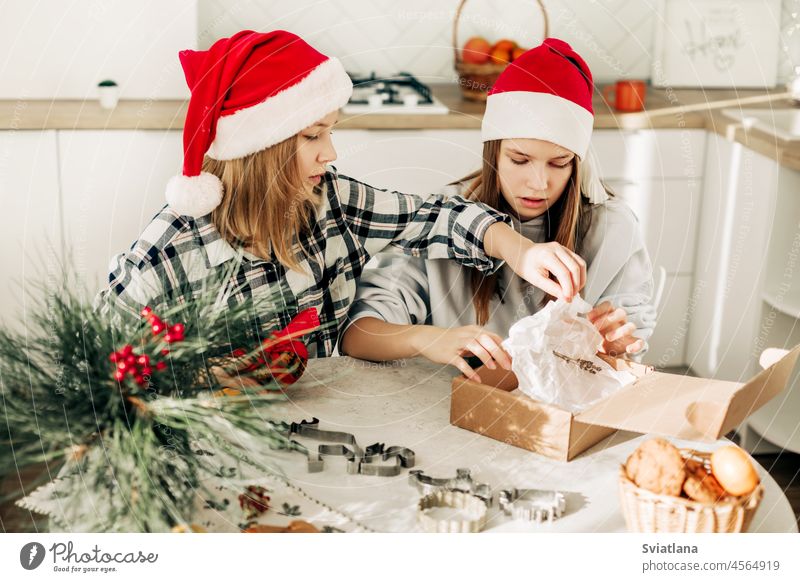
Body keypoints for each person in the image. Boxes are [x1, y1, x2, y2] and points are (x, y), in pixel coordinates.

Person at [95, 30, 586, 358]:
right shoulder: (171, 252)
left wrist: (520, 250)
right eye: (312, 136)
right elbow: (99, 374)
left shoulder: (331, 202)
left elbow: (435, 217)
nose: (330, 152)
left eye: (328, 132)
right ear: (259, 149)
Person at [341, 38, 656, 381]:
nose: (538, 183)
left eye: (558, 163)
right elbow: (358, 334)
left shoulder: (612, 228)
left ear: (577, 164)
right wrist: (428, 340)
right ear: (493, 153)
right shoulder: (444, 220)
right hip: (449, 410)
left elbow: (630, 342)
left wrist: (616, 344)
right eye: (519, 160)